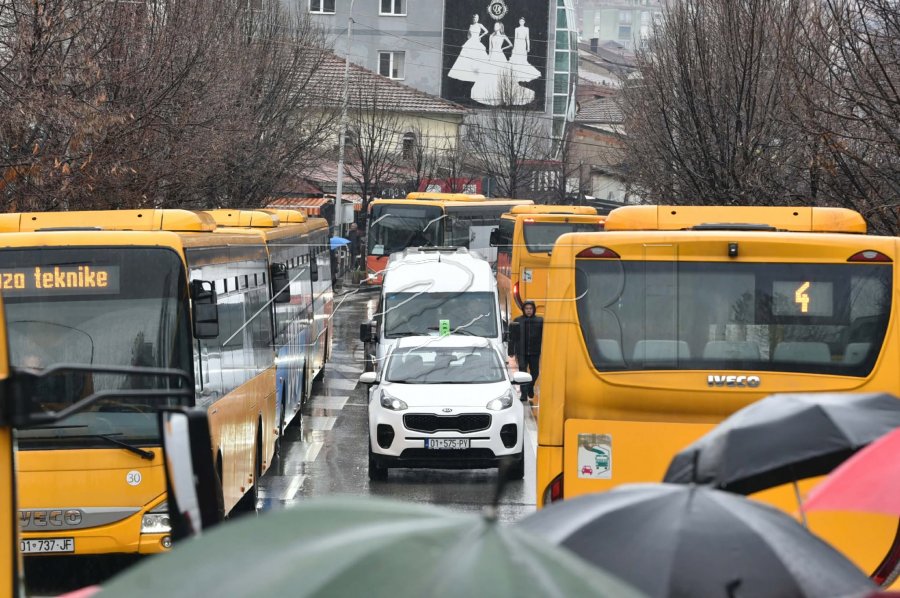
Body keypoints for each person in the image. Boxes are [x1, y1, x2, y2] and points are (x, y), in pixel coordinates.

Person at [510, 300, 543, 401]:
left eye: (530, 309)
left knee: (535, 372)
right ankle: (524, 394)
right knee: (523, 373)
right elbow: (512, 337)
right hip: (521, 352)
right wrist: (511, 351)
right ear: (523, 310)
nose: (529, 311)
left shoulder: (540, 321)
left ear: (534, 310)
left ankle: (530, 386)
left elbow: (545, 336)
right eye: (526, 309)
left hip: (535, 351)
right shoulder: (517, 320)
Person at [448, 14, 490, 82]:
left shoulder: (480, 25)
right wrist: (470, 39)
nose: (475, 19)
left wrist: (480, 37)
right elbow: (468, 35)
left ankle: (477, 72)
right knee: (467, 57)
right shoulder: (471, 26)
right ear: (473, 18)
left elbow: (486, 31)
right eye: (474, 18)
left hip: (476, 40)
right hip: (471, 41)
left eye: (477, 18)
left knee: (478, 56)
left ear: (478, 18)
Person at [510, 17, 540, 82]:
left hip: (523, 45)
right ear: (519, 22)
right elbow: (515, 38)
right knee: (517, 59)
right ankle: (516, 73)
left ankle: (523, 73)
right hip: (518, 44)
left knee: (523, 59)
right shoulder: (517, 29)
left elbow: (527, 38)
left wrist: (528, 47)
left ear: (524, 22)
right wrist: (514, 47)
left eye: (522, 21)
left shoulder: (526, 29)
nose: (521, 22)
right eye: (520, 21)